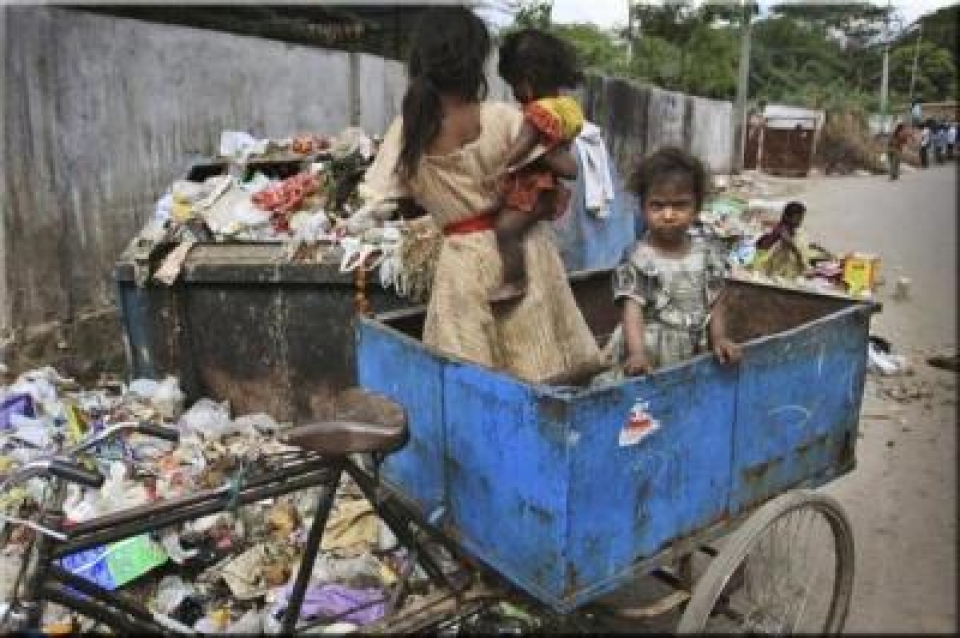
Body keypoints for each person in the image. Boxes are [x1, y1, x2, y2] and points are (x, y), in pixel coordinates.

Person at [356, 6, 603, 385]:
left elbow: (391, 201)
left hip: (462, 267)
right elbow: (563, 167)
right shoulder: (503, 119)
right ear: (476, 62)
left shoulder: (407, 132)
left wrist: (445, 205)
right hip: (523, 258)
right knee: (545, 376)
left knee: (470, 381)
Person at [605, 147, 741, 377]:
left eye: (679, 205)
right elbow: (632, 310)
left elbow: (715, 300)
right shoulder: (638, 258)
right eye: (657, 205)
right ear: (643, 208)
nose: (668, 215)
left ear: (696, 208)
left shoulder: (707, 253)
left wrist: (719, 338)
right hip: (650, 350)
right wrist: (637, 353)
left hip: (691, 347)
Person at [488, 28, 585, 304]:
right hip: (549, 185)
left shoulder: (537, 113)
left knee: (505, 229)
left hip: (534, 188)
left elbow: (525, 144)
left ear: (527, 81)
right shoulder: (565, 107)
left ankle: (515, 281)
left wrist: (503, 164)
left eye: (514, 85)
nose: (514, 94)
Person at [752, 200, 811, 280]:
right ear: (787, 217)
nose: (800, 221)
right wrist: (801, 261)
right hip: (762, 256)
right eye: (798, 218)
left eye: (801, 218)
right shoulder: (782, 229)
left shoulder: (789, 228)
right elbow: (791, 245)